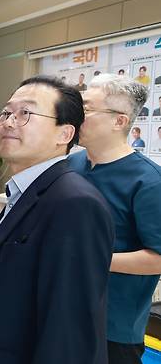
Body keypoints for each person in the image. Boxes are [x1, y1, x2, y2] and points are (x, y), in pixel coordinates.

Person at [0, 76, 114, 364]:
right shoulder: (24, 192)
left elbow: (68, 332)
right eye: (7, 112)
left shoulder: (74, 204)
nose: (9, 122)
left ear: (64, 134)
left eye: (26, 113)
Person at [70, 74, 161, 364]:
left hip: (113, 328)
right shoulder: (72, 164)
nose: (76, 115)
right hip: (64, 312)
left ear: (119, 121)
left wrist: (93, 258)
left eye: (86, 108)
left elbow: (158, 256)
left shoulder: (148, 181)